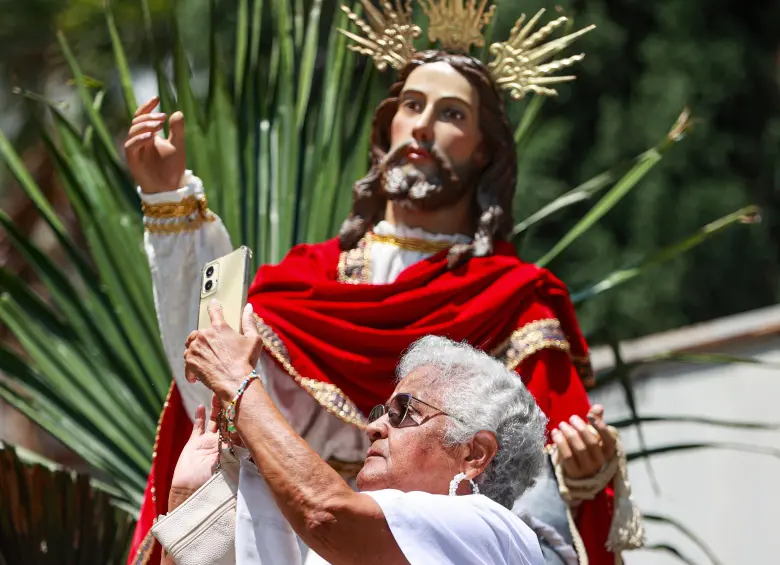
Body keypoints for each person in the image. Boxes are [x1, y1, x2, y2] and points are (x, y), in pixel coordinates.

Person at [126, 3, 644, 564]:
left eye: (452, 114)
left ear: (485, 150)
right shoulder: (304, 282)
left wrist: (586, 469)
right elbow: (210, 376)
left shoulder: (512, 300)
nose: (422, 124)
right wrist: (169, 204)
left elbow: (543, 484)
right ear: (387, 125)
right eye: (412, 105)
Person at [172, 313, 548, 565]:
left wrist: (237, 381)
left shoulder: (491, 531)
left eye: (404, 412)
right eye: (381, 412)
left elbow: (324, 512)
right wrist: (185, 499)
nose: (374, 427)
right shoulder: (345, 542)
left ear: (474, 454)